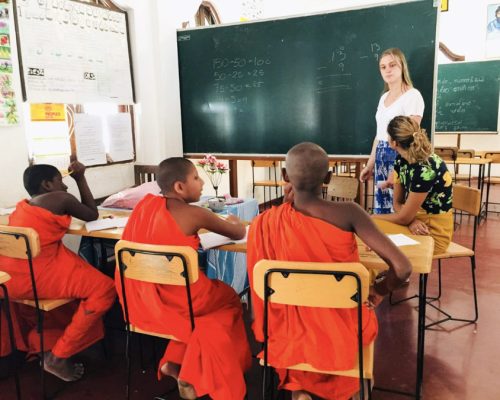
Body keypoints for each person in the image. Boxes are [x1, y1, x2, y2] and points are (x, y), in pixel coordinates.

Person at [247, 142, 412, 400]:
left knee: (298, 325)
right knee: (357, 324)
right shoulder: (349, 212)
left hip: (288, 328)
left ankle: (300, 388)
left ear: (284, 176)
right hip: (341, 328)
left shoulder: (266, 221)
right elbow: (402, 268)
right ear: (328, 178)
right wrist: (379, 290)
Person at [115, 157, 251, 400]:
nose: (201, 184)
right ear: (179, 187)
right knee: (229, 301)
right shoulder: (194, 213)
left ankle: (175, 363)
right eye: (196, 178)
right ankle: (198, 373)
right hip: (181, 301)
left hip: (139, 301)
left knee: (211, 311)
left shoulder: (143, 207)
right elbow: (239, 233)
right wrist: (233, 221)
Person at [0, 161, 115, 381]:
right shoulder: (59, 198)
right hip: (35, 276)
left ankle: (48, 342)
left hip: (9, 278)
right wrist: (80, 177)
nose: (65, 187)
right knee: (105, 288)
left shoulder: (24, 205)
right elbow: (92, 215)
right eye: (60, 181)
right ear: (47, 184)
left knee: (82, 274)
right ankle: (58, 355)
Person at [373, 116, 453, 255]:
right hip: (414, 224)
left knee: (373, 229)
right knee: (372, 234)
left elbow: (403, 217)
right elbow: (397, 203)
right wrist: (411, 220)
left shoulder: (426, 169)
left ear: (393, 142)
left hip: (432, 233)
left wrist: (370, 217)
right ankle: (384, 275)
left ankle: (384, 275)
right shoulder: (401, 161)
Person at [360, 48, 425, 214]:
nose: (387, 70)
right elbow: (379, 135)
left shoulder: (412, 95)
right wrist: (370, 164)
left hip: (400, 156)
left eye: (392, 65)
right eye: (383, 67)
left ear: (402, 66)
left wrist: (396, 170)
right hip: (382, 155)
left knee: (398, 208)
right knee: (383, 207)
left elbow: (411, 136)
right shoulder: (383, 97)